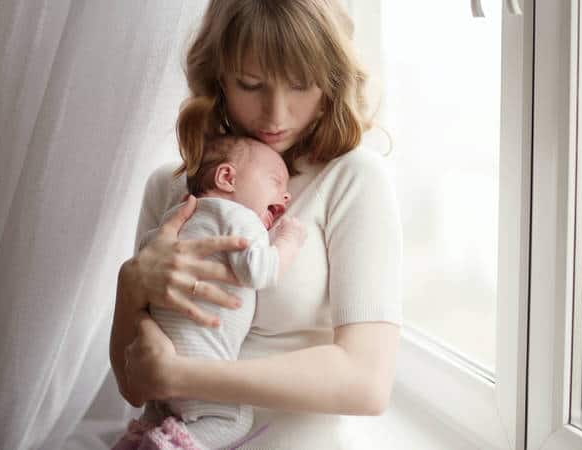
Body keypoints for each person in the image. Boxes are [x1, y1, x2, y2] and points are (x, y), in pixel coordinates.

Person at [109, 0, 403, 447]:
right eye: (251, 84)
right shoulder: (169, 190)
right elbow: (135, 386)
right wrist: (130, 287)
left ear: (330, 83)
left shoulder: (354, 178)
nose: (275, 114)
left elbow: (367, 382)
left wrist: (186, 375)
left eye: (300, 86)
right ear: (218, 78)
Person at [112, 136, 307, 450]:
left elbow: (146, 258)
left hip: (158, 354)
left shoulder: (175, 217)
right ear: (227, 178)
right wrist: (289, 242)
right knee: (234, 419)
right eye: (275, 181)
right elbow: (259, 270)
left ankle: (141, 438)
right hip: (199, 363)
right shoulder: (241, 216)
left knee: (159, 414)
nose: (285, 194)